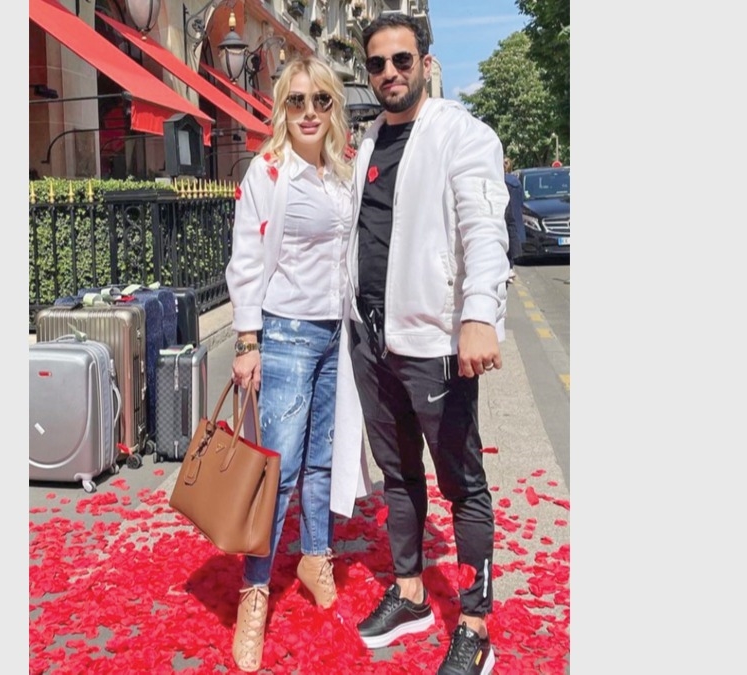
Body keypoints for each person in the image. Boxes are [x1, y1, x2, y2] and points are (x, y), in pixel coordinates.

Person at [347, 12, 509, 675]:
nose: (390, 73)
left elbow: (484, 229)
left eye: (402, 60)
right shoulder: (366, 143)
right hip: (371, 338)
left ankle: (474, 625)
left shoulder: (461, 134)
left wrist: (479, 314)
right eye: (378, 63)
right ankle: (411, 592)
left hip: (434, 339)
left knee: (462, 484)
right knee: (398, 474)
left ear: (426, 63)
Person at [223, 55, 367, 673]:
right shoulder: (269, 171)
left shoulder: (344, 172)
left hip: (337, 333)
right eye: (297, 101)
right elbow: (246, 257)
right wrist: (247, 341)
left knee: (322, 460)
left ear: (334, 107)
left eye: (321, 101)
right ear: (282, 107)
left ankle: (314, 556)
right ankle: (254, 592)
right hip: (284, 332)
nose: (309, 112)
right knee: (276, 471)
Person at [503, 157, 524, 284]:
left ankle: (507, 268)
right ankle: (510, 267)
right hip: (516, 214)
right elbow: (521, 200)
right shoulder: (516, 182)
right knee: (512, 239)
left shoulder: (501, 181)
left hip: (506, 214)